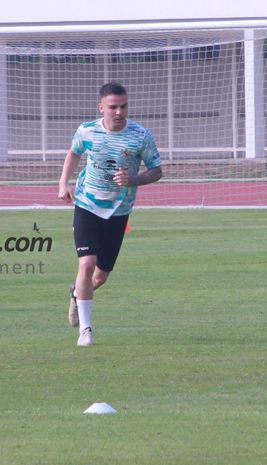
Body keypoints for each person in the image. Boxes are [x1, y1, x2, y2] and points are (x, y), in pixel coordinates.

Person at [58, 82, 162, 347]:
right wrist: (63, 184)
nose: (118, 112)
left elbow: (157, 171)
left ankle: (75, 293)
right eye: (113, 107)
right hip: (86, 204)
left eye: (123, 106)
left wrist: (133, 180)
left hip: (119, 211)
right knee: (86, 264)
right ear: (101, 107)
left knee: (100, 276)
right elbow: (73, 153)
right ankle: (86, 330)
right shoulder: (87, 131)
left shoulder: (140, 136)